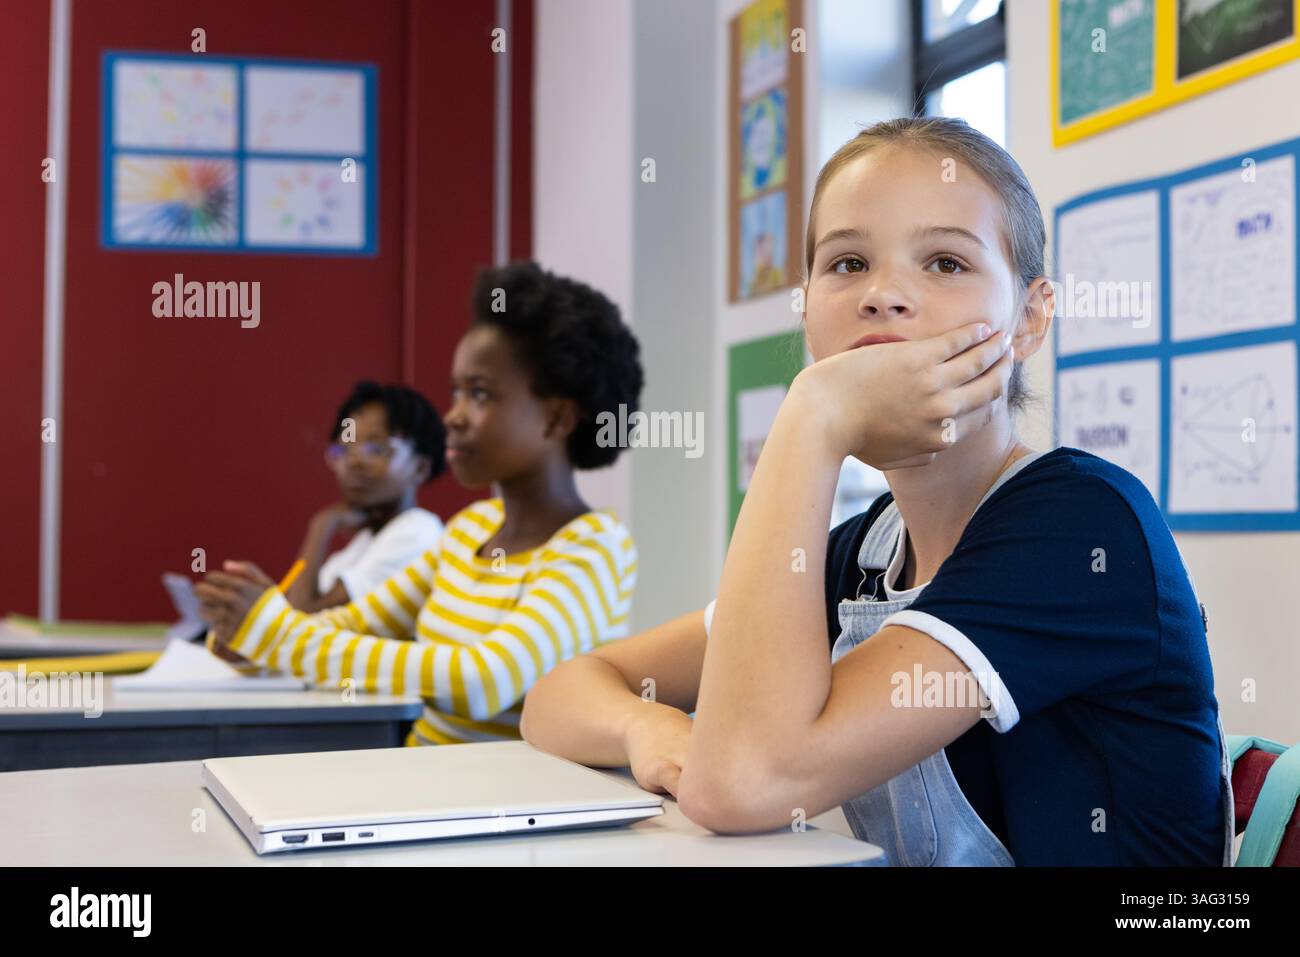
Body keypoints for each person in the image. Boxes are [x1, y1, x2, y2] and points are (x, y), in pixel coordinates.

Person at [522, 117, 1231, 866]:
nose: (884, 295)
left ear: (1030, 318)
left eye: (947, 262)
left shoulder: (1085, 526)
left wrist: (811, 416)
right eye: (848, 262)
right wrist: (649, 728)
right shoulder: (864, 553)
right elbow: (562, 692)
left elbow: (740, 782)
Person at [197, 262, 644, 746]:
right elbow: (351, 626)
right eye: (456, 392)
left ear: (556, 418)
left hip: (496, 810)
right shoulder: (470, 529)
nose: (452, 416)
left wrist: (277, 636)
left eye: (480, 394)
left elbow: (481, 680)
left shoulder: (595, 549)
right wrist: (249, 638)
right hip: (418, 787)